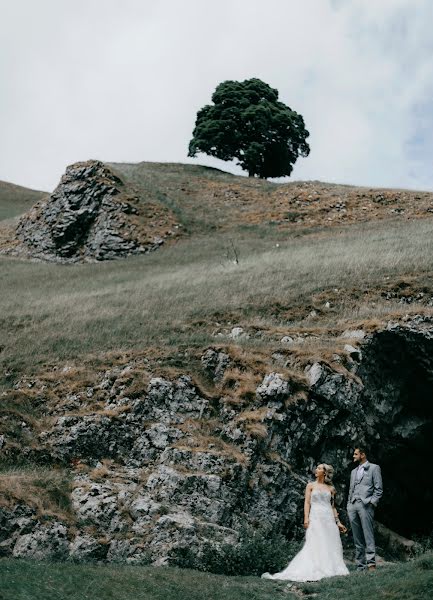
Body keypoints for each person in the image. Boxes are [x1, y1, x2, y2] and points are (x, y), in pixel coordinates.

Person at [262, 464, 349, 582]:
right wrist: (306, 518)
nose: (316, 470)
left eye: (319, 468)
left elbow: (333, 507)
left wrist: (338, 522)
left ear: (324, 472)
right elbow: (307, 503)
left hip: (328, 518)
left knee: (329, 542)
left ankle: (329, 567)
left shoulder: (331, 489)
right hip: (316, 516)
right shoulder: (310, 485)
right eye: (316, 468)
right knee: (314, 541)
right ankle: (315, 567)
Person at [347, 446, 383, 571]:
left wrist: (372, 502)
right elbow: (351, 489)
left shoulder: (374, 468)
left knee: (368, 534)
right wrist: (348, 504)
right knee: (357, 536)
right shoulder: (353, 472)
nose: (353, 456)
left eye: (355, 454)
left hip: (365, 505)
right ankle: (360, 565)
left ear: (362, 455)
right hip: (352, 505)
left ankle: (371, 564)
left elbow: (378, 489)